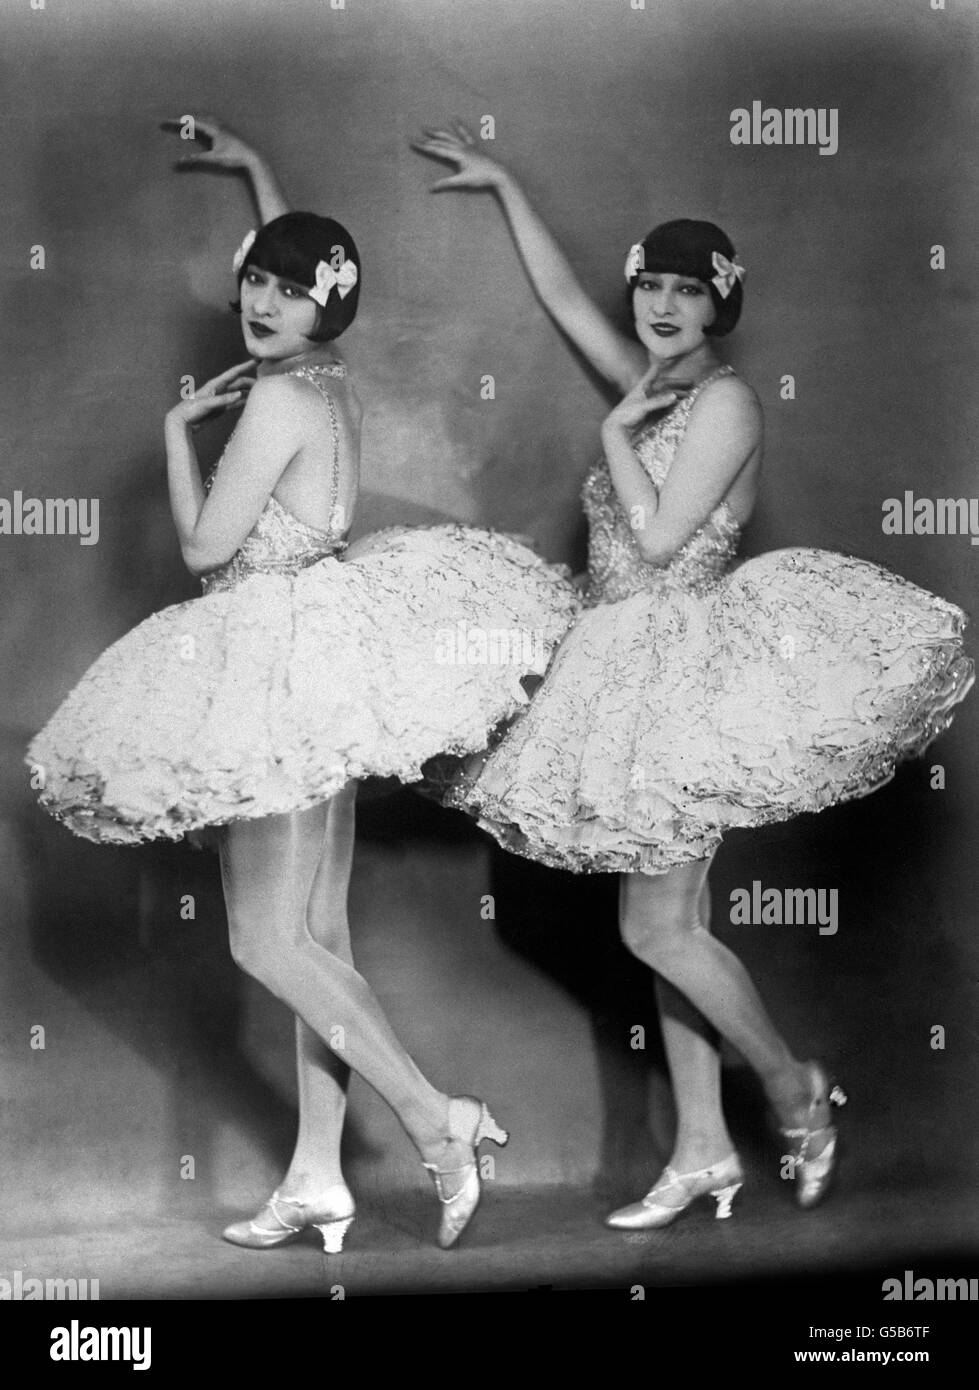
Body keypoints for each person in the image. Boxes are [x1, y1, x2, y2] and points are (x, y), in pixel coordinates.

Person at [411, 120, 974, 1228]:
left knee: (655, 929)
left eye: (685, 291)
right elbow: (571, 306)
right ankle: (706, 1149)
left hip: (685, 672)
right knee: (670, 925)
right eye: (649, 287)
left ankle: (789, 1082)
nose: (661, 307)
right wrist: (505, 182)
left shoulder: (719, 403)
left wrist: (618, 423)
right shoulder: (658, 379)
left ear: (721, 305)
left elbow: (663, 539)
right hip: (618, 667)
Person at [26, 129, 579, 1252]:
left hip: (274, 658)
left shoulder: (275, 398)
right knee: (316, 936)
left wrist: (179, 435)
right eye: (254, 283)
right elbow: (302, 266)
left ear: (326, 304)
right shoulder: (326, 376)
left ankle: (439, 1119)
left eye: (286, 290)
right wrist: (257, 178)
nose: (262, 303)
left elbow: (200, 549)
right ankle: (318, 1176)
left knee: (263, 945)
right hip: (322, 642)